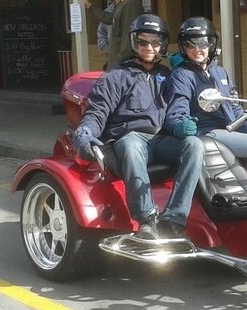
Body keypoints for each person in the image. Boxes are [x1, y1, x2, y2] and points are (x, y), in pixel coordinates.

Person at [72, 13, 204, 240]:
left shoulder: (169, 75)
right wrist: (84, 135)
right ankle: (147, 220)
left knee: (194, 145)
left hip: (161, 138)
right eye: (143, 41)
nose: (149, 47)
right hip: (129, 138)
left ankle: (174, 219)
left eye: (155, 42)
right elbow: (97, 112)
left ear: (162, 44)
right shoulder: (116, 76)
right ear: (134, 42)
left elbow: (183, 107)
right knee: (132, 145)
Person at [163, 17, 247, 194]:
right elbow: (176, 111)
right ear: (183, 47)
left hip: (227, 129)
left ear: (212, 44)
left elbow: (235, 107)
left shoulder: (220, 73)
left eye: (203, 43)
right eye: (191, 44)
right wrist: (180, 125)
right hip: (205, 131)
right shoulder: (181, 75)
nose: (198, 49)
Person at [85, 0, 142, 69]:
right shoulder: (122, 4)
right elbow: (109, 18)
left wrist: (120, 64)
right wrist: (90, 6)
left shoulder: (131, 4)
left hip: (121, 65)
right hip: (116, 63)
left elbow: (127, 38)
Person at [96, 0, 116, 69]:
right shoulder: (109, 11)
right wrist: (107, 50)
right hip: (112, 58)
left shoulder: (131, 7)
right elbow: (101, 33)